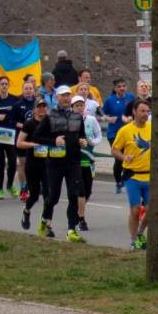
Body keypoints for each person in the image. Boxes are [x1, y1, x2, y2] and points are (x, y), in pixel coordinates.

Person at [35, 87, 88, 242]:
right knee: (53, 197)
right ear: (57, 98)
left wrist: (82, 141)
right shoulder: (50, 116)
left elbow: (82, 135)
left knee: (73, 195)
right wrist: (53, 141)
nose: (66, 98)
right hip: (55, 162)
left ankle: (71, 230)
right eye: (63, 96)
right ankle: (44, 220)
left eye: (68, 95)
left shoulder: (77, 117)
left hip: (74, 162)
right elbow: (37, 137)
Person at [112, 99, 154, 250]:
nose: (145, 114)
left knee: (151, 210)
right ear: (134, 112)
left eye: (147, 111)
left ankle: (140, 233)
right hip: (132, 176)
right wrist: (124, 157)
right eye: (142, 111)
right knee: (135, 210)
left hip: (150, 176)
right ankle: (134, 239)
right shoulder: (125, 130)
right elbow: (114, 150)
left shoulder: (153, 127)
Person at [16, 98, 51, 231]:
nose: (42, 109)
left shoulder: (50, 123)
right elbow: (19, 143)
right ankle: (26, 211)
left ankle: (45, 223)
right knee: (35, 195)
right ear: (34, 109)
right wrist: (33, 145)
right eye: (39, 107)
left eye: (44, 106)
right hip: (33, 163)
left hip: (47, 163)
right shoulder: (29, 124)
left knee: (48, 194)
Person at [73, 94, 103, 232]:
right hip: (75, 160)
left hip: (89, 159)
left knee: (88, 191)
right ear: (72, 107)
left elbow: (99, 136)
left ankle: (77, 210)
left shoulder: (91, 120)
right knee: (81, 190)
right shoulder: (69, 121)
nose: (79, 108)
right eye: (77, 106)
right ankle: (81, 219)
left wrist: (92, 142)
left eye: (81, 105)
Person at [0, 76, 23, 200]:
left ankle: (10, 185)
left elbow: (16, 115)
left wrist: (7, 118)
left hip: (10, 134)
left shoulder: (14, 99)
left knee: (13, 162)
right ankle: (0, 189)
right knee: (0, 163)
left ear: (9, 85)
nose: (4, 86)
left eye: (6, 84)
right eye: (2, 84)